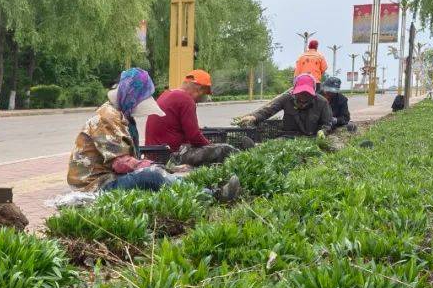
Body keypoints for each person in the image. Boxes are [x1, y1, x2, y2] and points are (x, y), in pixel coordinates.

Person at [68, 68, 240, 201]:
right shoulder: (107, 117)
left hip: (109, 177)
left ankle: (208, 191)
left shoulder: (120, 114)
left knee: (159, 174)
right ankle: (211, 195)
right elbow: (120, 164)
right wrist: (154, 166)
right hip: (95, 185)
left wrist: (165, 168)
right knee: (152, 176)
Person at [145, 69, 240, 166]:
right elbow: (194, 136)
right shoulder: (186, 99)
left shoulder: (167, 94)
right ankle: (242, 157)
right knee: (224, 150)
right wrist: (211, 146)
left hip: (156, 154)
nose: (202, 98)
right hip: (171, 156)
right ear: (199, 89)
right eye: (204, 93)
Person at [237, 73, 333, 137]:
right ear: (295, 90)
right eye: (301, 93)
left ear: (313, 92)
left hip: (311, 138)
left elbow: (327, 123)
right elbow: (269, 110)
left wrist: (323, 131)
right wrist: (254, 117)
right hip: (288, 137)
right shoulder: (287, 98)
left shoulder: (322, 102)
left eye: (307, 93)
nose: (303, 96)